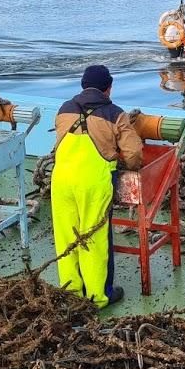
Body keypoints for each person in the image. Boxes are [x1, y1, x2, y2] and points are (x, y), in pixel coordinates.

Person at [52, 65, 143, 308]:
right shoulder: (115, 114)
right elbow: (133, 153)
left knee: (66, 236)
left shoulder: (64, 109)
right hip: (93, 183)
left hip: (61, 181)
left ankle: (70, 293)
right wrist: (130, 163)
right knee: (94, 235)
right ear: (108, 88)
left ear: (83, 85)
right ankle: (98, 296)